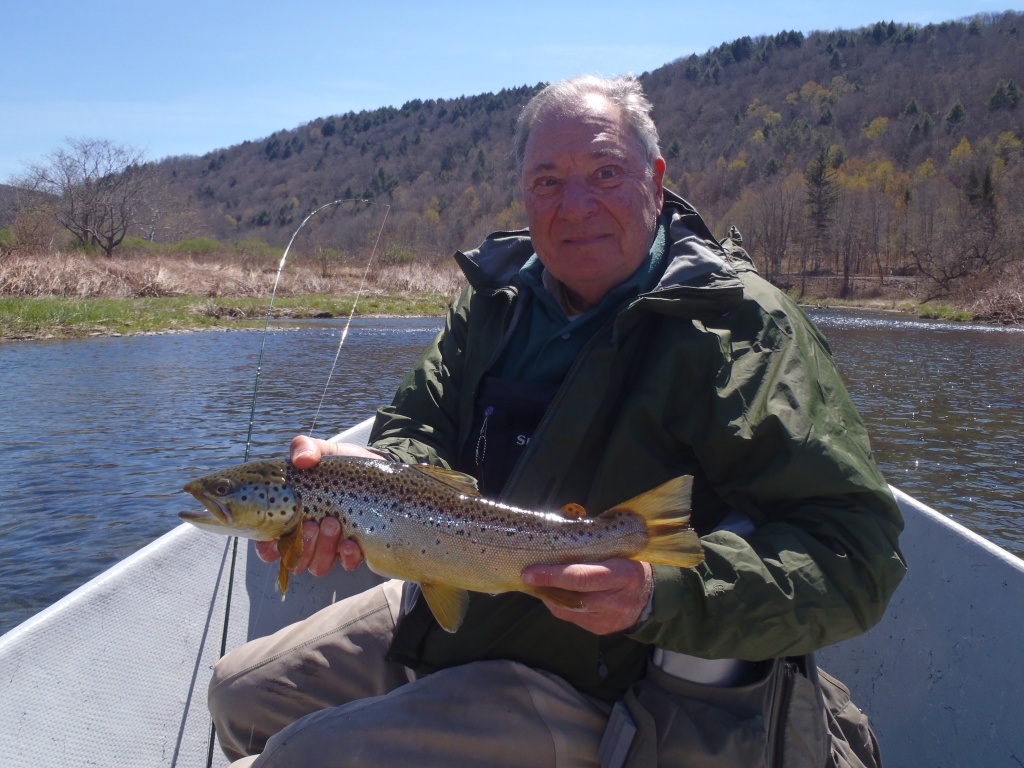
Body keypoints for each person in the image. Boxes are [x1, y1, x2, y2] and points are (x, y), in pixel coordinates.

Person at [209, 74, 906, 768]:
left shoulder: (741, 327)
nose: (575, 207)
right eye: (548, 182)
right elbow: (416, 423)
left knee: (305, 758)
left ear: (655, 180)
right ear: (524, 195)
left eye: (605, 173)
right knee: (238, 696)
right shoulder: (494, 302)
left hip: (611, 681)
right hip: (459, 605)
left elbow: (856, 555)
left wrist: (655, 594)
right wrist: (374, 482)